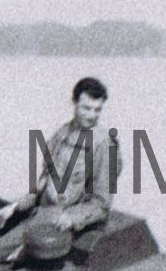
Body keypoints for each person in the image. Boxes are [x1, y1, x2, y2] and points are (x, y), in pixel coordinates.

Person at [28, 75, 120, 235]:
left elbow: (101, 203)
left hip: (68, 224)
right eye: (86, 108)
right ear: (74, 103)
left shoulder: (104, 144)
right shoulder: (62, 134)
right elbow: (45, 180)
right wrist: (17, 206)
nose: (92, 115)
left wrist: (71, 218)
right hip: (43, 214)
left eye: (97, 110)